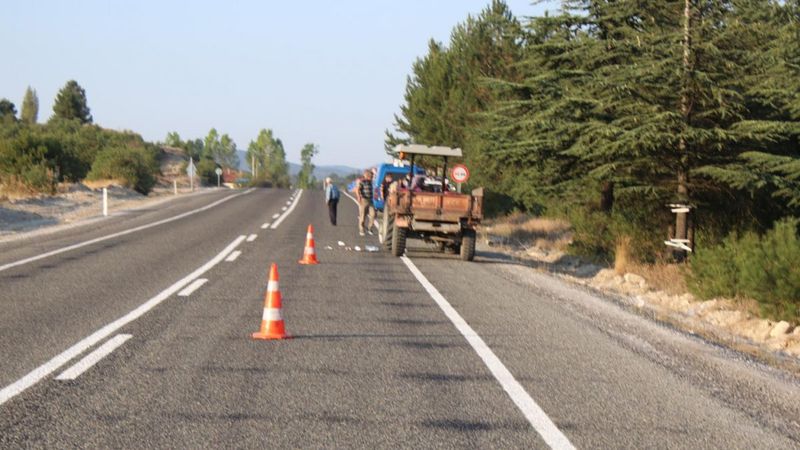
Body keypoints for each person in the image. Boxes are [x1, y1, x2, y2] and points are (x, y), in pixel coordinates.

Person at [356, 169, 376, 236]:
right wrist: (359, 197)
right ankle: (361, 229)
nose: (372, 178)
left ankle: (369, 228)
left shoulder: (371, 182)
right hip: (364, 200)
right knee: (363, 216)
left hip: (370, 200)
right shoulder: (362, 182)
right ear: (367, 176)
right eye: (371, 176)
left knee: (373, 214)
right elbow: (357, 189)